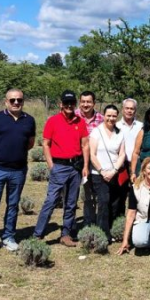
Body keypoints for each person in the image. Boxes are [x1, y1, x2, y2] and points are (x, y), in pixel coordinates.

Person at [0, 88, 36, 251]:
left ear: (23, 101)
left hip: (18, 171)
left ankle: (8, 237)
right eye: (12, 100)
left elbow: (30, 143)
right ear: (6, 101)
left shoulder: (29, 120)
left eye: (19, 100)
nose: (16, 102)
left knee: (13, 204)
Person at [33, 91, 90, 247]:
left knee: (71, 203)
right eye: (66, 103)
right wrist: (51, 165)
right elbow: (46, 144)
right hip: (59, 166)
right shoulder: (53, 121)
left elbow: (85, 145)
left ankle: (65, 234)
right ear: (61, 104)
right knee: (51, 201)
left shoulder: (80, 122)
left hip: (75, 167)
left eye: (72, 103)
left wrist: (85, 166)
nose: (69, 106)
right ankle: (38, 234)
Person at [89, 104, 126, 239]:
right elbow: (92, 154)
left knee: (115, 203)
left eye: (114, 116)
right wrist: (102, 171)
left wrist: (114, 170)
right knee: (103, 202)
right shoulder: (96, 132)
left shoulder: (120, 133)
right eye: (108, 115)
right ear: (104, 116)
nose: (111, 118)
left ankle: (112, 230)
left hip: (114, 174)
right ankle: (102, 234)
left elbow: (121, 154)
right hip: (99, 175)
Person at [77, 91, 104, 226]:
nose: (85, 105)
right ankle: (76, 223)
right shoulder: (74, 116)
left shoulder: (102, 119)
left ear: (94, 103)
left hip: (94, 160)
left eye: (89, 102)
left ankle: (94, 221)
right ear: (79, 102)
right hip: (75, 160)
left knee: (93, 192)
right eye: (83, 101)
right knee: (74, 194)